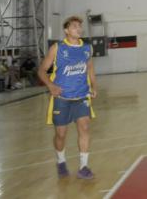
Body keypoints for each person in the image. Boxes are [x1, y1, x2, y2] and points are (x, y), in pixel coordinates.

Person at [38, 16, 97, 180]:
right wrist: (50, 86)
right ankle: (61, 161)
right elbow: (42, 71)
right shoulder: (57, 48)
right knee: (61, 135)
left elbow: (90, 70)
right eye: (74, 26)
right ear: (66, 30)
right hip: (62, 98)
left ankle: (83, 167)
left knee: (84, 128)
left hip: (81, 96)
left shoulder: (87, 48)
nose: (78, 29)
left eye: (80, 26)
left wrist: (94, 87)